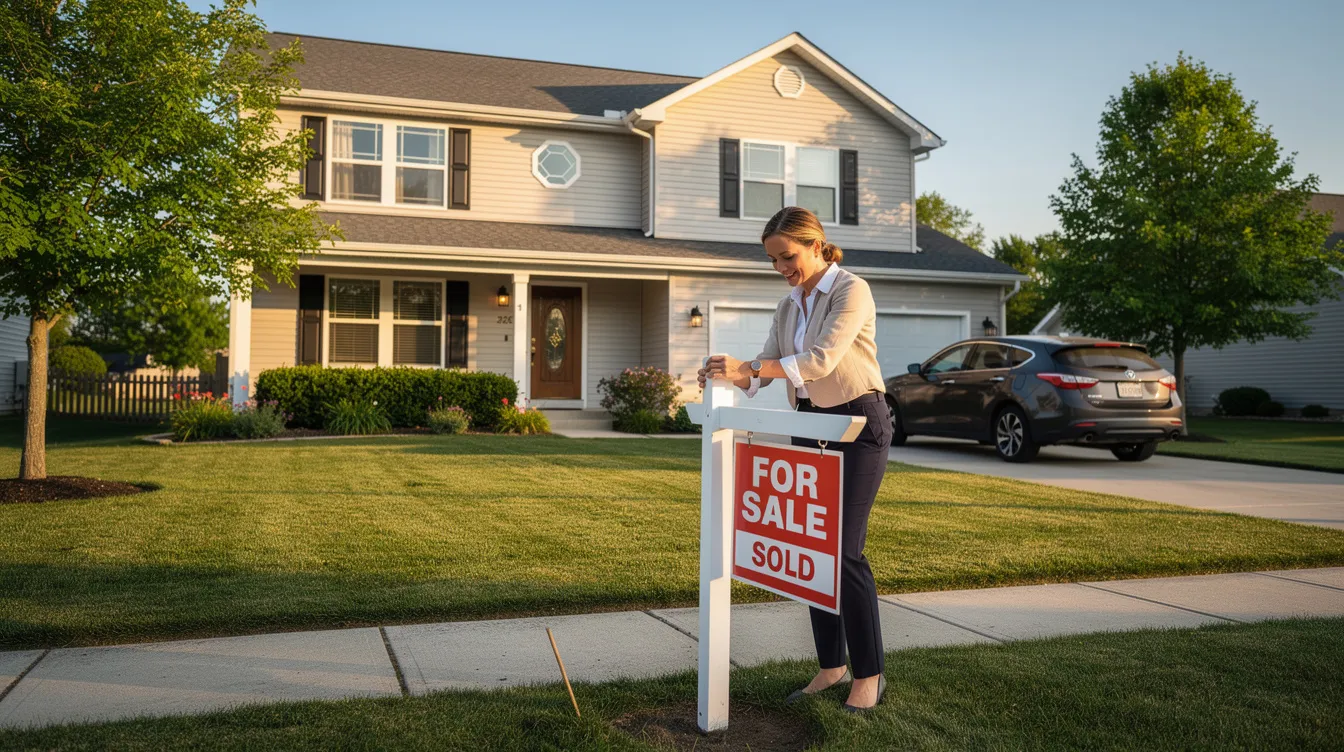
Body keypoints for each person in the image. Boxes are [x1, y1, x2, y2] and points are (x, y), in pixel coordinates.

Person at [697, 205, 892, 713]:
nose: (782, 268)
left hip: (859, 424)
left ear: (816, 245)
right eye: (774, 261)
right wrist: (725, 373)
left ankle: (869, 675)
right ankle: (831, 667)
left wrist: (754, 366)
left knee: (845, 551)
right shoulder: (788, 306)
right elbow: (760, 372)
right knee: (814, 550)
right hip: (810, 425)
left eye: (787, 257)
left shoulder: (851, 289)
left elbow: (820, 359)